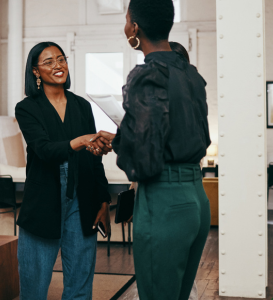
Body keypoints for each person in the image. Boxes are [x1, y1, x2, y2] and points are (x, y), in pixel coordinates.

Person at [94, 0, 212, 298]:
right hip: (196, 197)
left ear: (134, 27)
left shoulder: (146, 75)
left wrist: (121, 141)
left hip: (164, 200)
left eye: (126, 20)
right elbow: (197, 137)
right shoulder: (191, 74)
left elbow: (142, 164)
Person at [15, 41, 111, 300]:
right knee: (34, 289)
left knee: (80, 287)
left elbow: (94, 160)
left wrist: (104, 200)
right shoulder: (27, 108)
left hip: (84, 197)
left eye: (61, 59)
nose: (58, 65)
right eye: (48, 61)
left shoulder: (82, 105)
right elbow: (44, 150)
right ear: (35, 71)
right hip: (44, 199)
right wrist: (80, 141)